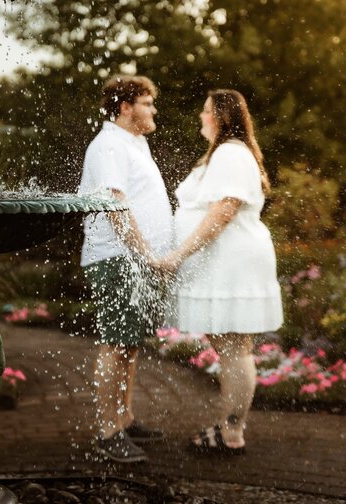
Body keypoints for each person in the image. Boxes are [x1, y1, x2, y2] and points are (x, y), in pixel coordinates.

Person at [156, 88, 283, 455]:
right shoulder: (225, 153)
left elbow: (224, 210)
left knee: (233, 347)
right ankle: (230, 427)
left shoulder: (229, 153)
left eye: (205, 110)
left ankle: (231, 434)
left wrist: (179, 254)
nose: (200, 116)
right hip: (227, 262)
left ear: (220, 117)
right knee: (230, 345)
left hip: (233, 263)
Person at [79, 75, 173, 463]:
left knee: (129, 345)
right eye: (147, 103)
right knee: (115, 345)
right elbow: (116, 206)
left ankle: (125, 417)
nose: (153, 110)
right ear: (124, 107)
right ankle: (107, 431)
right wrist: (146, 253)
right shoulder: (109, 146)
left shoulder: (134, 142)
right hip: (117, 258)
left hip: (136, 260)